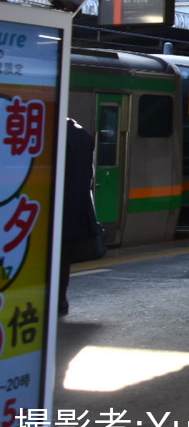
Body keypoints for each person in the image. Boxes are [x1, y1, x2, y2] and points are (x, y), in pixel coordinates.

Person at [59, 117, 97, 317]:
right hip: (75, 211)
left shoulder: (51, 134)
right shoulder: (82, 134)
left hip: (53, 210)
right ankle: (60, 302)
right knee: (62, 260)